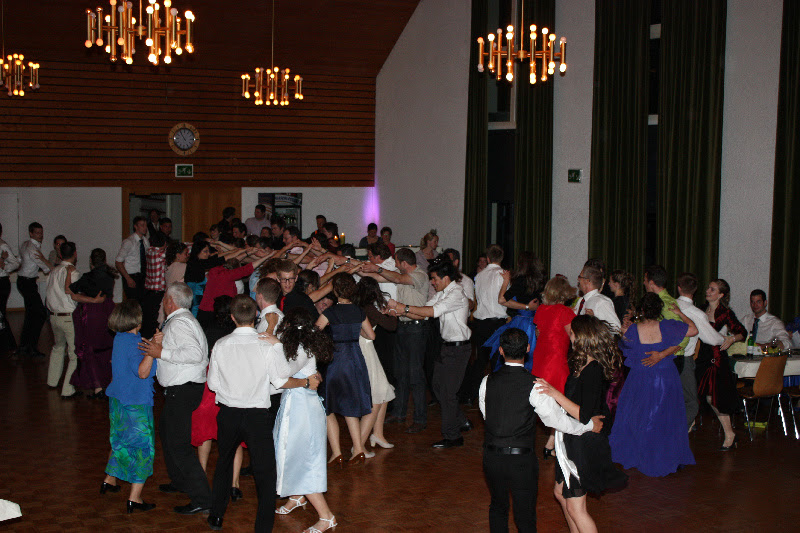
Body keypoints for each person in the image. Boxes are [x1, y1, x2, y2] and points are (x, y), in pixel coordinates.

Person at [206, 295, 319, 532]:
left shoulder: (221, 344)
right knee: (265, 473)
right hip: (257, 416)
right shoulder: (266, 345)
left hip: (228, 414)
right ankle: (263, 527)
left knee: (224, 464)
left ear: (232, 317)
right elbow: (280, 379)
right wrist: (302, 381)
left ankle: (216, 516)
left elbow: (213, 384)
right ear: (255, 316)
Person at [479, 327, 605, 533]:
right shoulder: (535, 385)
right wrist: (589, 425)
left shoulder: (487, 381)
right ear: (528, 348)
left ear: (500, 350)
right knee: (525, 515)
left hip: (492, 456)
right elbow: (558, 421)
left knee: (497, 507)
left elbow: (488, 415)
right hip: (521, 460)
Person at [536, 316, 628, 533]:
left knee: (576, 508)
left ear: (583, 336)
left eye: (573, 333)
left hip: (582, 443)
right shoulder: (581, 363)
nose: (570, 336)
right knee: (561, 494)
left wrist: (554, 393)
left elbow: (584, 415)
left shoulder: (593, 369)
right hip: (572, 437)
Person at [138, 282, 212, 515]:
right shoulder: (182, 320)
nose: (162, 303)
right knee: (168, 434)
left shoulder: (180, 323)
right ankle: (180, 481)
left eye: (164, 299)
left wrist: (161, 352)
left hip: (183, 389)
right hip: (182, 389)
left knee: (179, 445)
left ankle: (203, 499)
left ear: (170, 301)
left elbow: (194, 354)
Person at [610, 293, 698, 476]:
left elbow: (627, 347)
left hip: (640, 377)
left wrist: (625, 331)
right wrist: (679, 313)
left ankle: (642, 453)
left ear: (641, 310)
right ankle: (661, 454)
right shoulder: (667, 326)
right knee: (664, 417)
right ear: (659, 310)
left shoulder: (634, 329)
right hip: (664, 377)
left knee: (639, 417)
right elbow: (693, 330)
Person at [387, 258, 472, 448]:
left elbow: (433, 311)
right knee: (438, 387)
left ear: (446, 277)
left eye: (434, 279)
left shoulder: (456, 293)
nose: (432, 283)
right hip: (447, 347)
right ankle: (460, 421)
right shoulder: (443, 292)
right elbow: (424, 312)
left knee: (448, 393)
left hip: (459, 349)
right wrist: (400, 312)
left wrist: (403, 308)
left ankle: (453, 436)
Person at [272, 309, 337, 533]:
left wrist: (275, 344)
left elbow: (284, 372)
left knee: (302, 458)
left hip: (302, 409)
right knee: (294, 454)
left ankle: (326, 516)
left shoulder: (299, 348)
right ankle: (297, 496)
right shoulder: (302, 346)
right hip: (300, 405)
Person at [362, 247, 430, 433]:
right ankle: (399, 412)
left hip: (417, 328)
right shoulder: (401, 275)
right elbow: (379, 278)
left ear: (404, 263)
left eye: (397, 262)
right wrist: (359, 269)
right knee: (401, 372)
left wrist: (377, 268)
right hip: (404, 326)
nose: (395, 264)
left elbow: (397, 279)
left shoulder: (420, 275)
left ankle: (420, 419)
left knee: (415, 374)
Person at [100, 299, 158, 513]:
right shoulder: (135, 343)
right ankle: (135, 498)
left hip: (118, 400)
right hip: (135, 404)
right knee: (142, 449)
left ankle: (109, 480)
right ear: (137, 319)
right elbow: (142, 372)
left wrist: (149, 345)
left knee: (121, 441)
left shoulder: (120, 338)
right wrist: (153, 351)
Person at [315, 273, 374, 464]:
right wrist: (356, 332)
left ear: (335, 290)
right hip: (355, 359)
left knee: (328, 407)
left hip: (336, 360)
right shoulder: (358, 311)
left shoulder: (330, 312)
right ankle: (358, 449)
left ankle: (337, 452)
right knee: (350, 406)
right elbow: (371, 336)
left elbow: (315, 332)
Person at [46, 241, 105, 398]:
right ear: (75, 254)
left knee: (58, 347)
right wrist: (94, 300)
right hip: (68, 317)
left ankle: (52, 381)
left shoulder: (53, 272)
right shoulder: (73, 273)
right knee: (74, 354)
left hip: (53, 316)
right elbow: (76, 295)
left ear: (60, 254)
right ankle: (68, 389)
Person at [695, 279, 747, 450]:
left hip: (717, 359)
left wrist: (731, 339)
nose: (708, 291)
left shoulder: (725, 313)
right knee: (697, 395)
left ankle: (730, 434)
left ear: (721, 294)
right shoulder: (702, 309)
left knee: (714, 398)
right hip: (702, 357)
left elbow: (742, 332)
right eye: (708, 288)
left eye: (712, 289)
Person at [533, 276, 579, 458]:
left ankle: (551, 443)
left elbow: (539, 333)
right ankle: (552, 444)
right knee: (559, 403)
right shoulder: (565, 312)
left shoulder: (541, 309)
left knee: (544, 401)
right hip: (556, 362)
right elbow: (575, 339)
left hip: (540, 359)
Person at [675, 273, 725, 430]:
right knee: (691, 403)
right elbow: (713, 339)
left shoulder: (668, 306)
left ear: (679, 288)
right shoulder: (695, 313)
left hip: (664, 358)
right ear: (695, 290)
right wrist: (726, 339)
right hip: (683, 361)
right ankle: (676, 435)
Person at [67, 248, 118, 399]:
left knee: (90, 349)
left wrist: (69, 274)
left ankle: (97, 387)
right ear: (104, 260)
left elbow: (71, 290)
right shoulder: (110, 276)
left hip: (92, 314)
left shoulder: (87, 277)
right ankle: (109, 382)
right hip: (108, 312)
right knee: (108, 347)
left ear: (90, 261)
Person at [354, 277, 397, 454]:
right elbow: (391, 326)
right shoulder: (368, 308)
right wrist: (391, 312)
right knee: (378, 395)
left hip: (363, 348)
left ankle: (377, 434)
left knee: (384, 391)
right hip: (365, 350)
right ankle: (358, 446)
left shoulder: (359, 306)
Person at [484, 251, 545, 372]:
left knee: (514, 354)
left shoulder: (521, 280)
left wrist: (506, 281)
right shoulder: (541, 281)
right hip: (537, 322)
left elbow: (502, 299)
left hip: (522, 323)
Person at [463, 245, 508, 405]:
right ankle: (496, 397)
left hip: (480, 324)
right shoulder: (503, 275)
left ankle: (470, 395)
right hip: (497, 324)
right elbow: (505, 299)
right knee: (497, 361)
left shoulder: (479, 275)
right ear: (501, 258)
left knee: (480, 361)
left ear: (488, 258)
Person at [197, 252, 270, 331]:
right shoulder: (228, 275)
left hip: (203, 312)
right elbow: (247, 269)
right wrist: (268, 256)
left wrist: (246, 252)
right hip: (216, 314)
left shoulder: (213, 271)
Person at [17, 222, 53, 357]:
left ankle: (24, 346)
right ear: (31, 233)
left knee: (31, 314)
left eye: (41, 233)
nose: (40, 235)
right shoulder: (33, 249)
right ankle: (31, 347)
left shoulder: (26, 244)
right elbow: (46, 267)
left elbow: (20, 260)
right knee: (40, 314)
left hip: (24, 281)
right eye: (37, 233)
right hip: (27, 283)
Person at [575, 265, 620, 333]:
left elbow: (616, 329)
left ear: (587, 281)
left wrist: (595, 321)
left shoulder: (601, 302)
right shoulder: (581, 301)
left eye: (580, 277)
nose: (578, 280)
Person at [185, 240, 225, 316]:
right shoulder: (196, 264)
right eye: (205, 251)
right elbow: (221, 259)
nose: (208, 254)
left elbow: (217, 258)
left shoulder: (196, 263)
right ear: (197, 252)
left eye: (208, 251)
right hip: (194, 306)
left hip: (197, 304)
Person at [116, 216, 149, 303]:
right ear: (135, 226)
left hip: (143, 276)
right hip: (131, 275)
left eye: (145, 225)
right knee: (133, 303)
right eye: (142, 225)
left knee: (143, 302)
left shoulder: (145, 241)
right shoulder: (129, 242)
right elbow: (118, 262)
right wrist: (128, 278)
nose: (144, 228)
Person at [142, 231, 167, 338]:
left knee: (147, 320)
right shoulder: (161, 254)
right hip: (158, 293)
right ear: (164, 243)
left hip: (148, 291)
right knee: (155, 322)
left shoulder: (149, 250)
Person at [0, 222, 21, 353]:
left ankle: (9, 345)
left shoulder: (3, 246)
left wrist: (4, 266)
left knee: (1, 314)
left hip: (1, 282)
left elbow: (15, 263)